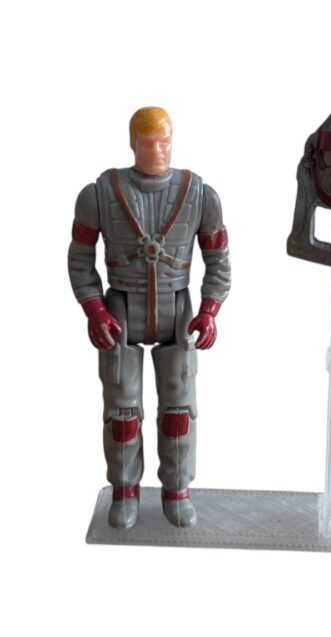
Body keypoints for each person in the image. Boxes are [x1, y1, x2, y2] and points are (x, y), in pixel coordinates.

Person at [68, 107, 231, 529]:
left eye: (165, 141)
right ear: (133, 143)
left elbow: (219, 261)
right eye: (148, 142)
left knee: (179, 411)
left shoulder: (200, 195)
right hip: (121, 310)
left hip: (178, 312)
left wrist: (209, 310)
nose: (158, 150)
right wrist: (94, 308)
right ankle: (125, 490)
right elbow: (80, 259)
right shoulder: (99, 194)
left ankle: (177, 490)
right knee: (121, 413)